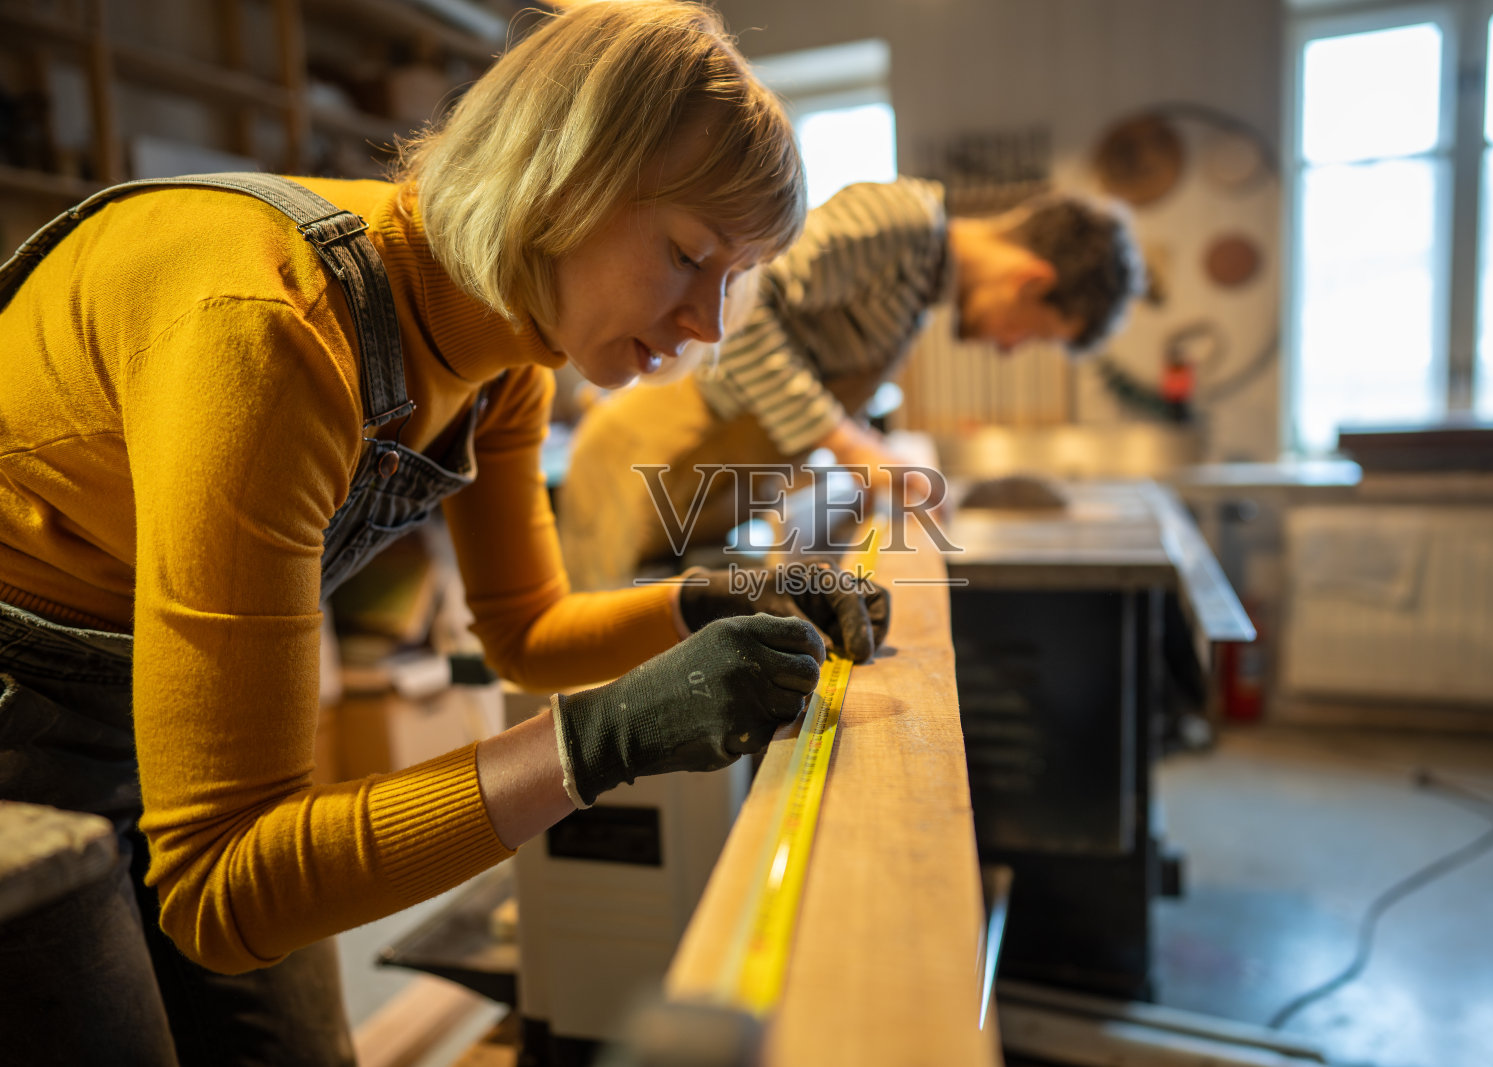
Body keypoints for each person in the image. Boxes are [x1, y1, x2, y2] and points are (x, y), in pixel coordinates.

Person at [0, 3, 887, 1063]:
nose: (710, 324)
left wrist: (713, 598)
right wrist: (603, 738)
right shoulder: (274, 335)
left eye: (736, 278)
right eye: (689, 255)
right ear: (561, 180)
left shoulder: (506, 351)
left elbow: (526, 628)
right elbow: (226, 883)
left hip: (145, 686)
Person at [558, 177, 1146, 592]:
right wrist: (850, 445)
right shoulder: (902, 225)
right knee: (592, 679)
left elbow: (806, 363)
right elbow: (742, 309)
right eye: (1034, 335)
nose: (1010, 348)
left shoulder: (915, 295)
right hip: (644, 461)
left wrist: (869, 456)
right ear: (1030, 279)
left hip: (695, 491)